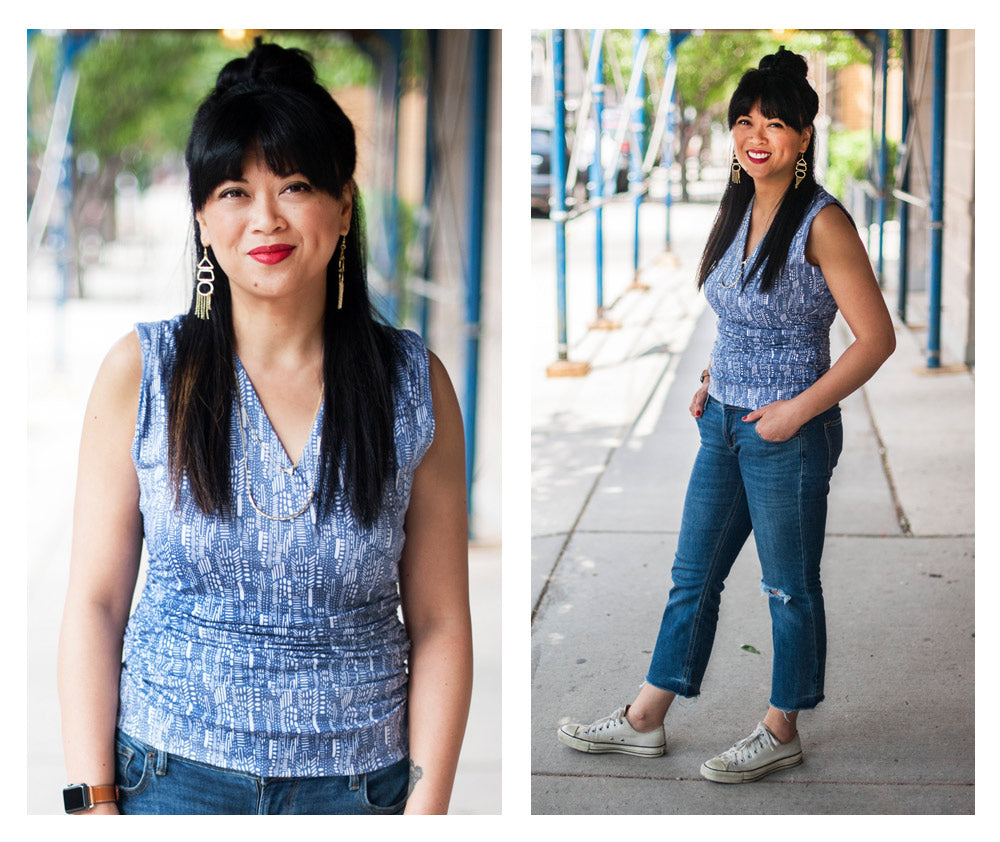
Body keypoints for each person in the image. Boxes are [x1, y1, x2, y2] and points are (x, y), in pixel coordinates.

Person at [57, 39, 473, 815]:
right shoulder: (145, 374)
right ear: (203, 217)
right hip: (166, 779)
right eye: (234, 192)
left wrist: (428, 811)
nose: (266, 219)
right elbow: (94, 603)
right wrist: (93, 804)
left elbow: (444, 622)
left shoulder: (413, 384)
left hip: (359, 787)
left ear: (344, 205)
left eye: (296, 185)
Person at [557, 47, 895, 784]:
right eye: (745, 121)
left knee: (788, 587)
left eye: (775, 123)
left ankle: (782, 726)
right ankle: (647, 718)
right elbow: (739, 310)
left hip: (788, 434)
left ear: (804, 137)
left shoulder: (822, 223)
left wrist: (795, 412)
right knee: (693, 576)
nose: (756, 136)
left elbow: (877, 339)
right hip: (723, 422)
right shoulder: (740, 204)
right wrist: (716, 374)